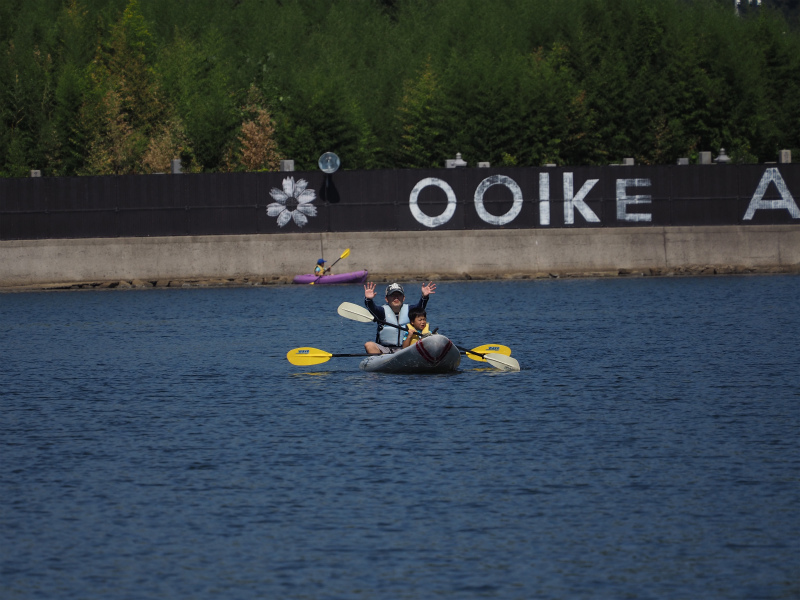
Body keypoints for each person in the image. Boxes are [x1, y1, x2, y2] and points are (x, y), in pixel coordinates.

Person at [363, 281, 436, 354]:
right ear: (386, 299)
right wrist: (369, 300)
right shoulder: (381, 312)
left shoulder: (410, 310)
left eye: (399, 295)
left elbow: (420, 308)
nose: (396, 297)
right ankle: (381, 361)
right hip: (385, 349)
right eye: (392, 295)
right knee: (369, 345)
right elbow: (372, 308)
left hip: (406, 348)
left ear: (403, 298)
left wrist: (424, 297)